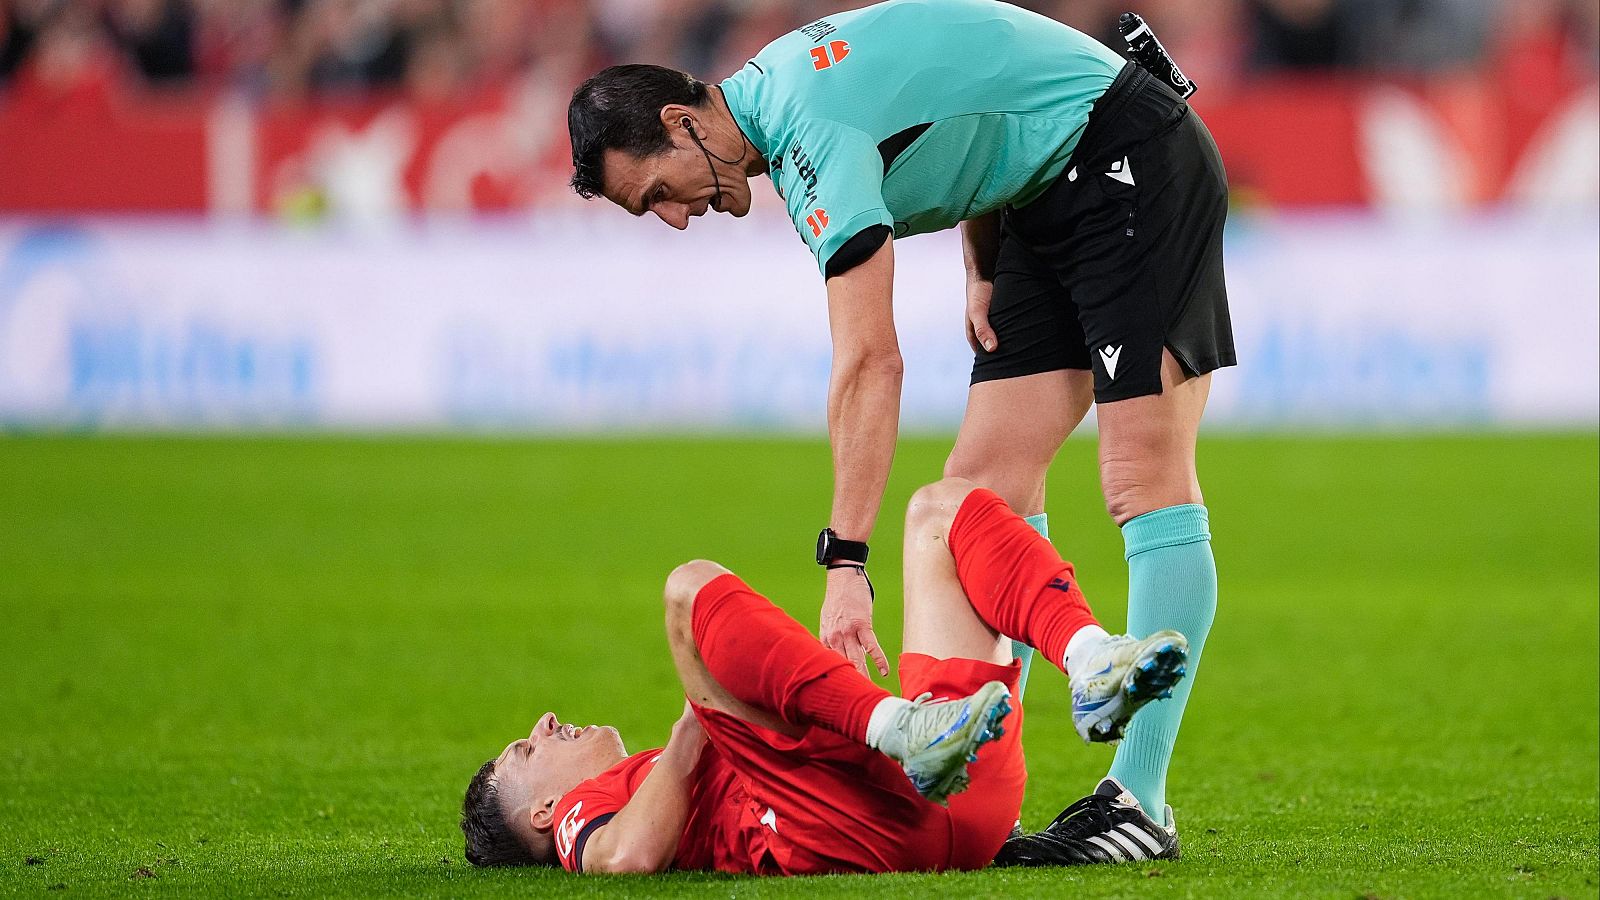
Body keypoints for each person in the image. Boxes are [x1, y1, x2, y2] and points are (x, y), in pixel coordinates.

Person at [566, 0, 1230, 859]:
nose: (675, 218)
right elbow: (975, 82)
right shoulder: (773, 97)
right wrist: (982, 260)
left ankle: (1138, 800)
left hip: (1128, 155)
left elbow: (870, 363)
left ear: (681, 121)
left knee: (1141, 476)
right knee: (979, 499)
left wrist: (846, 561)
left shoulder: (808, 136)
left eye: (658, 191)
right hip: (1041, 191)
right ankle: (993, 788)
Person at [460, 477, 1189, 873]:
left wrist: (790, 692)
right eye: (527, 752)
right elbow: (628, 859)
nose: (546, 725)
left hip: (960, 804)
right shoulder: (586, 820)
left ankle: (1089, 655)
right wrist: (702, 715)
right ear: (546, 812)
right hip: (844, 824)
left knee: (941, 509)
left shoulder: (643, 785)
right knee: (688, 591)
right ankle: (897, 727)